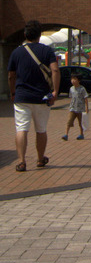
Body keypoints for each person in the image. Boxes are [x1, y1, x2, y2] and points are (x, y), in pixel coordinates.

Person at [7, 19, 60, 171]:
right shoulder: (47, 51)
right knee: (41, 129)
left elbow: (11, 75)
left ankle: (22, 161)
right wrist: (55, 91)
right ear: (40, 35)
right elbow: (55, 70)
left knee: (21, 128)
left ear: (25, 34)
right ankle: (40, 159)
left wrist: (13, 92)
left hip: (22, 96)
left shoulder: (16, 52)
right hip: (42, 97)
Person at [62, 73, 89, 140]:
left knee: (81, 123)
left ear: (78, 80)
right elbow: (71, 98)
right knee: (69, 121)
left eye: (75, 79)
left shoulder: (82, 89)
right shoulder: (71, 89)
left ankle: (81, 134)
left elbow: (85, 98)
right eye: (72, 79)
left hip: (80, 109)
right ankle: (66, 134)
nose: (73, 81)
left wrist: (87, 107)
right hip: (72, 108)